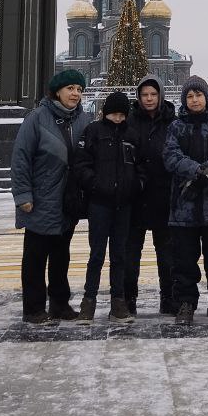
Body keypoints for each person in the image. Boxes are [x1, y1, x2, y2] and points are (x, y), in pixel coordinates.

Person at [10, 68, 93, 324]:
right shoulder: (37, 118)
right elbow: (21, 158)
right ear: (57, 92)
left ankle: (59, 304)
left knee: (61, 256)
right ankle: (33, 308)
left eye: (79, 89)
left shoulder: (83, 120)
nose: (75, 94)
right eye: (70, 89)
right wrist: (23, 194)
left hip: (68, 200)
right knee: (35, 257)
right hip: (40, 199)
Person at [163, 76, 208, 326]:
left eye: (199, 95)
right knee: (183, 261)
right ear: (185, 100)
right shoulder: (175, 127)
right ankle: (186, 303)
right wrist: (198, 172)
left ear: (206, 97)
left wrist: (203, 175)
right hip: (183, 208)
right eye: (190, 96)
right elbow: (171, 156)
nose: (195, 100)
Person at [75, 90, 144, 323]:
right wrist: (95, 185)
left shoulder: (131, 135)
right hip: (99, 204)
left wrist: (136, 185)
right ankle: (88, 301)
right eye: (114, 114)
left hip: (124, 205)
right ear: (105, 113)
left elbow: (141, 166)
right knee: (96, 255)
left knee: (119, 256)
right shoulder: (93, 131)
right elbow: (81, 163)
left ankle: (118, 302)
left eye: (121, 115)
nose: (117, 119)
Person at [124, 75, 176, 315]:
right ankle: (128, 299)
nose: (149, 99)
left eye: (153, 94)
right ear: (138, 97)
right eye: (144, 95)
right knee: (131, 253)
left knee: (167, 254)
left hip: (163, 196)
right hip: (135, 196)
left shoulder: (172, 122)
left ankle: (169, 297)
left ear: (160, 96)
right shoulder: (130, 122)